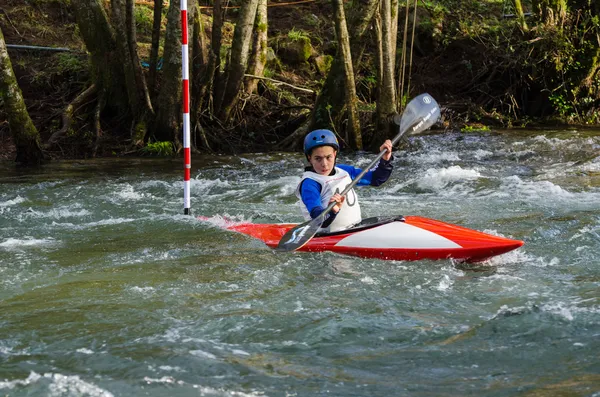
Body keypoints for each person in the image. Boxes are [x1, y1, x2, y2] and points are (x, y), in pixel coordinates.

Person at [295, 129, 394, 233]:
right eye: (318, 159)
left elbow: (376, 179)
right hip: (326, 235)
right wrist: (333, 210)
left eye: (329, 157)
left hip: (354, 228)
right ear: (309, 158)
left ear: (335, 153)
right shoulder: (309, 184)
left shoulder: (344, 171)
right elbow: (319, 220)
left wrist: (385, 160)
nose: (324, 164)